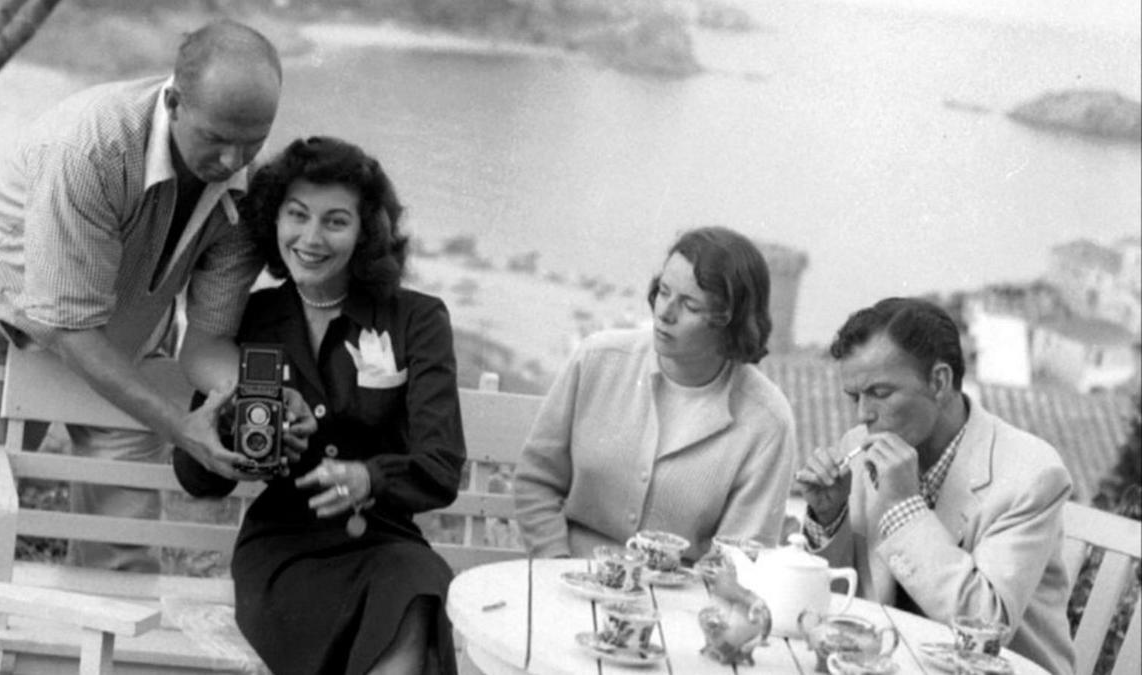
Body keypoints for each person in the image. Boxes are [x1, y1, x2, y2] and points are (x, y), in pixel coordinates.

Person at [0, 20, 307, 673]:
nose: (233, 162)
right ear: (172, 102)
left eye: (252, 142)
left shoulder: (249, 191)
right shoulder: (93, 144)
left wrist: (244, 396)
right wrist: (176, 423)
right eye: (217, 140)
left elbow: (210, 337)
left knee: (121, 544)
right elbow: (66, 326)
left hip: (119, 338)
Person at [173, 136, 465, 675]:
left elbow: (442, 466)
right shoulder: (253, 318)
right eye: (297, 215)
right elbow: (199, 479)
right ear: (273, 220)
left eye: (335, 221)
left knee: (420, 589)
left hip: (386, 541)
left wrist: (369, 478)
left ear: (366, 231)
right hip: (284, 553)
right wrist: (237, 428)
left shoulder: (417, 320)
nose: (310, 238)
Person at [795, 297, 1075, 675]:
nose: (863, 415)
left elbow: (985, 628)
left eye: (880, 393)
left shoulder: (1032, 474)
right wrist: (829, 518)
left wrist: (904, 509)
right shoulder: (860, 447)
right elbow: (840, 601)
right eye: (854, 396)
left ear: (939, 381)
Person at [514, 226, 796, 561]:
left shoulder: (767, 422)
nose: (665, 313)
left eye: (690, 305)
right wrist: (556, 565)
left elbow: (739, 556)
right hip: (566, 578)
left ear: (730, 324)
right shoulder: (596, 360)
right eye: (663, 291)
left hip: (682, 603)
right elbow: (536, 482)